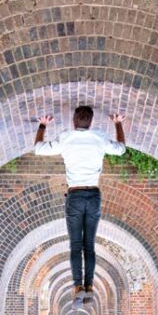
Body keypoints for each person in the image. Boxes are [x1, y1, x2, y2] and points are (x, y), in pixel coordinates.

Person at [34, 105, 126, 300]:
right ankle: (90, 285)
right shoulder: (99, 137)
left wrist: (42, 126)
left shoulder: (67, 137)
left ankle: (78, 286)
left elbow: (39, 149)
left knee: (76, 245)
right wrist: (118, 124)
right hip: (93, 196)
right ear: (91, 122)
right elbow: (121, 149)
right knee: (89, 245)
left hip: (75, 196)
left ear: (74, 122)